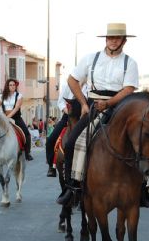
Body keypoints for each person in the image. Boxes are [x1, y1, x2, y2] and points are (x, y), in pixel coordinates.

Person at [57, 23, 142, 206]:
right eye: (110, 38)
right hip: (94, 105)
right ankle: (72, 188)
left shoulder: (130, 62)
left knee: (139, 140)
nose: (112, 41)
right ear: (105, 39)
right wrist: (83, 103)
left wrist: (108, 104)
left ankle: (141, 188)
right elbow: (72, 80)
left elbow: (128, 89)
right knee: (72, 142)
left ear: (124, 41)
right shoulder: (90, 59)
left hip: (120, 106)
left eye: (117, 38)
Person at [45, 80, 87, 177]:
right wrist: (69, 112)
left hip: (84, 116)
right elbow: (61, 102)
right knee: (51, 139)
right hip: (69, 115)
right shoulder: (66, 85)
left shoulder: (89, 86)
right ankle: (51, 166)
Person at [0, 78, 34, 161]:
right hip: (4, 117)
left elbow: (16, 108)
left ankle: (27, 153)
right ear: (7, 86)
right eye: (10, 85)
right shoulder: (1, 96)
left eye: (14, 85)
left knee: (27, 133)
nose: (12, 86)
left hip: (16, 118)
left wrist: (8, 117)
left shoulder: (19, 96)